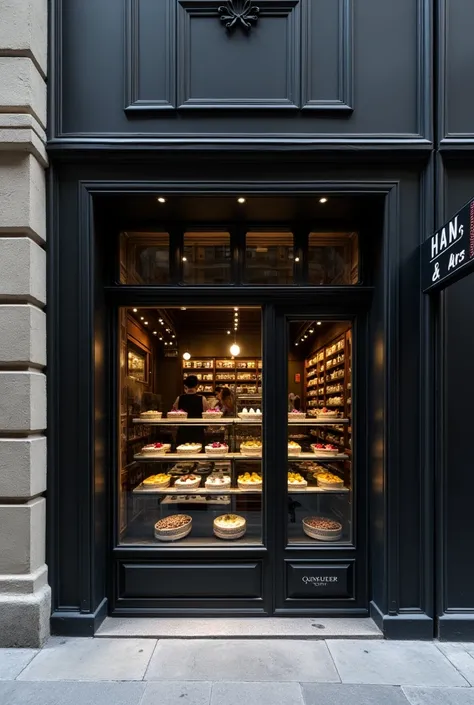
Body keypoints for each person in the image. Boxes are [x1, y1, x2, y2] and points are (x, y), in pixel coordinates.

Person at [173, 375, 208, 446]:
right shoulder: (202, 399)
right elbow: (207, 414)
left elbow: (173, 413)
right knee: (198, 454)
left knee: (182, 453)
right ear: (197, 386)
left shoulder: (179, 398)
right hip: (198, 431)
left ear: (185, 385)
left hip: (183, 431)